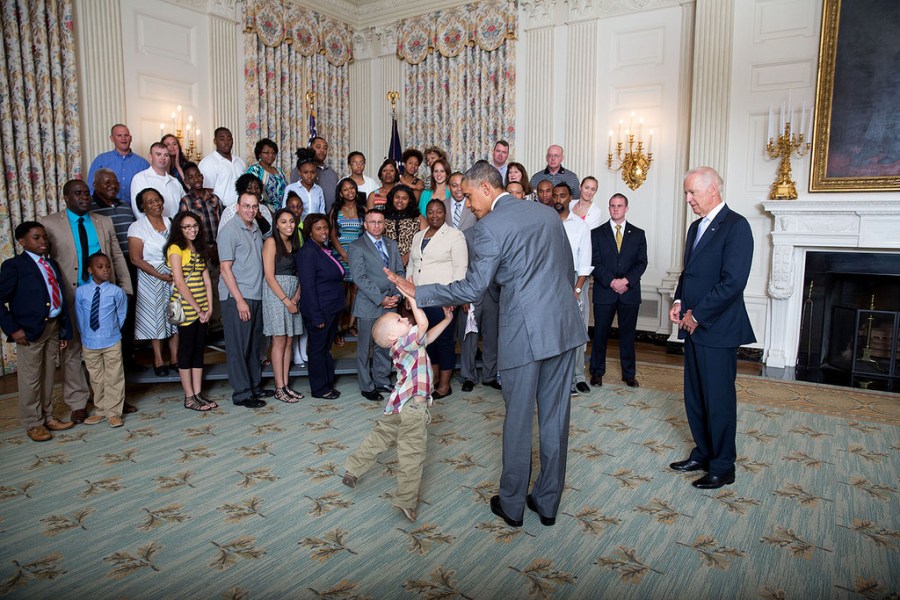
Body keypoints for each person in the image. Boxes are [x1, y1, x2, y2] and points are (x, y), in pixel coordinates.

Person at [385, 161, 586, 528]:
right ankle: (547, 503)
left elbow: (473, 288)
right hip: (563, 326)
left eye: (468, 194)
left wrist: (420, 291)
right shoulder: (546, 214)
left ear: (486, 188)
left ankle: (512, 505)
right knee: (555, 419)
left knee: (519, 419)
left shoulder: (490, 227)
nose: (466, 202)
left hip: (524, 333)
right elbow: (567, 269)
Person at [669, 166, 755, 490]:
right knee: (695, 396)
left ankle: (723, 466)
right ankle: (703, 453)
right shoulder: (695, 227)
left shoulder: (737, 226)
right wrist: (679, 301)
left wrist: (698, 315)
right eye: (686, 193)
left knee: (718, 400)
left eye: (692, 192)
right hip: (692, 326)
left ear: (712, 190)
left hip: (717, 328)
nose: (688, 199)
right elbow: (688, 273)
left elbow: (733, 282)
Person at [341, 295, 455, 523]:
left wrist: (446, 320)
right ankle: (405, 500)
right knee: (412, 453)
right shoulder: (404, 343)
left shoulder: (409, 343)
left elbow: (428, 335)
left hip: (398, 404)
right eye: (399, 320)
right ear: (393, 336)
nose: (405, 318)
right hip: (413, 407)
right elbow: (423, 324)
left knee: (379, 436)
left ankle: (352, 469)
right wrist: (413, 298)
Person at [39, 180, 133, 423]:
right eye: (78, 193)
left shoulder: (103, 221)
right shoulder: (49, 223)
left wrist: (125, 286)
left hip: (105, 294)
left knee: (111, 348)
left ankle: (114, 401)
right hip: (71, 295)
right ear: (66, 197)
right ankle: (78, 401)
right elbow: (43, 263)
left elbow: (115, 255)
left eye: (86, 193)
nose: (84, 197)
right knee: (72, 349)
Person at [0, 222, 74, 441]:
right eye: (36, 237)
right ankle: (33, 423)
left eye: (44, 237)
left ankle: (47, 416)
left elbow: (59, 295)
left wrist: (63, 330)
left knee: (48, 375)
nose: (43, 241)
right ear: (22, 242)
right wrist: (13, 329)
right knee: (31, 379)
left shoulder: (51, 264)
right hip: (29, 330)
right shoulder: (14, 266)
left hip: (52, 326)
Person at [407, 199, 468, 398]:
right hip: (419, 296)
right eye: (431, 212)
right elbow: (412, 265)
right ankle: (432, 381)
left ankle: (444, 385)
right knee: (427, 340)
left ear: (445, 214)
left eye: (439, 212)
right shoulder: (418, 235)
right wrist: (409, 292)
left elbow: (460, 268)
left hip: (442, 297)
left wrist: (455, 296)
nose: (434, 215)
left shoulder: (455, 236)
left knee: (443, 341)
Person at [218, 191, 272, 408]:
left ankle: (254, 386)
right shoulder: (229, 230)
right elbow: (225, 269)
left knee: (254, 345)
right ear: (237, 207)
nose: (250, 210)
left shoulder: (255, 228)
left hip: (256, 294)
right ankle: (242, 393)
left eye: (254, 206)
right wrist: (239, 300)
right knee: (239, 347)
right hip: (237, 297)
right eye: (246, 206)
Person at [590, 193, 647, 389]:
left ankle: (629, 375)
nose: (616, 209)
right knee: (600, 334)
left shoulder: (638, 234)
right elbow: (594, 262)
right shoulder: (596, 233)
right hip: (604, 291)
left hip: (629, 293)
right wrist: (612, 282)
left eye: (619, 205)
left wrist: (626, 281)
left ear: (626, 208)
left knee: (628, 336)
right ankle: (597, 372)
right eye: (612, 205)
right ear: (609, 208)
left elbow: (641, 263)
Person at [347, 210, 404, 402]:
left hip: (391, 302)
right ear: (365, 225)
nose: (377, 225)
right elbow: (360, 277)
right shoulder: (356, 246)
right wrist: (380, 299)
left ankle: (381, 380)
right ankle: (366, 386)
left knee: (385, 345)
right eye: (372, 222)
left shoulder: (391, 244)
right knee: (365, 347)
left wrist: (397, 295)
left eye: (380, 222)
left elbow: (399, 272)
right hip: (369, 304)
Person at [90, 168, 142, 373]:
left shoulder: (125, 206)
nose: (112, 186)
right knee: (109, 315)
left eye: (115, 182)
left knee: (128, 312)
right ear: (95, 185)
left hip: (130, 265)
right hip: (105, 268)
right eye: (107, 182)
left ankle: (128, 359)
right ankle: (111, 365)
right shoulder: (90, 209)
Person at [165, 212, 217, 411]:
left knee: (198, 350)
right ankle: (189, 397)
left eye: (194, 226)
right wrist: (198, 309)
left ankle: (197, 393)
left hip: (202, 307)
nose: (192, 230)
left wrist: (209, 308)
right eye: (187, 227)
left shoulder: (199, 247)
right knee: (186, 350)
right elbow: (179, 282)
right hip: (186, 309)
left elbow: (207, 280)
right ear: (179, 229)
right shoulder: (175, 248)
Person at [128, 188, 178, 376]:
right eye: (150, 201)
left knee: (175, 316)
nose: (156, 204)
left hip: (173, 275)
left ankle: (175, 358)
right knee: (155, 319)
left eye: (158, 200)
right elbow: (135, 258)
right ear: (142, 206)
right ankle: (158, 360)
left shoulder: (171, 222)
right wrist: (159, 275)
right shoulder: (137, 227)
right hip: (150, 277)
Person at [74, 252, 127, 426]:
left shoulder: (116, 292)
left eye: (108, 266)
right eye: (100, 267)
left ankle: (114, 413)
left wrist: (112, 330)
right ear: (90, 270)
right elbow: (79, 316)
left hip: (111, 340)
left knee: (114, 376)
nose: (106, 270)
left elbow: (121, 314)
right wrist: (85, 335)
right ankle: (101, 410)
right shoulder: (81, 292)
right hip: (89, 342)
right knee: (96, 378)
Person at [297, 213, 345, 399]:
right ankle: (319, 389)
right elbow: (308, 287)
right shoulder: (308, 253)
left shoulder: (322, 249)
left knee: (325, 348)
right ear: (309, 232)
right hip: (320, 310)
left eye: (325, 228)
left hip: (330, 308)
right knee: (317, 350)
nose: (324, 231)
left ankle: (327, 384)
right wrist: (316, 316)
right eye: (318, 228)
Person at [553, 184, 593, 395]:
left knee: (576, 330)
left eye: (562, 195)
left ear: (570, 198)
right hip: (551, 279)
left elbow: (585, 261)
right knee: (554, 330)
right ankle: (557, 377)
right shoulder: (546, 221)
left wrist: (576, 290)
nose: (558, 199)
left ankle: (578, 376)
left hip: (576, 281)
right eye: (555, 195)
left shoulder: (580, 226)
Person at [262, 209, 305, 403]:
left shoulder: (294, 243)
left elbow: (298, 273)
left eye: (291, 221)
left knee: (289, 341)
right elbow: (269, 277)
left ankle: (286, 385)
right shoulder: (271, 242)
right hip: (276, 295)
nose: (289, 225)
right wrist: (287, 301)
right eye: (284, 222)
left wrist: (296, 296)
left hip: (292, 293)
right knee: (279, 341)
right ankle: (278, 388)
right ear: (276, 224)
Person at [329, 178, 365, 343]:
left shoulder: (362, 210)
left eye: (352, 188)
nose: (349, 191)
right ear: (340, 193)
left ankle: (351, 325)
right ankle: (338, 328)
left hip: (358, 256)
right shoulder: (335, 210)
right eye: (345, 189)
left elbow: (366, 236)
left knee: (356, 291)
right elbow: (332, 235)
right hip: (340, 256)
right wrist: (343, 254)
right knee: (341, 293)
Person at [87, 124, 149, 204]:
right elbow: (91, 187)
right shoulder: (101, 160)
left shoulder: (143, 163)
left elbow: (149, 190)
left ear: (130, 138)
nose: (123, 138)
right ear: (112, 138)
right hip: (106, 208)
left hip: (134, 209)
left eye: (126, 135)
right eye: (119, 135)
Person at [130, 142, 184, 218]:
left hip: (176, 224)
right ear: (150, 157)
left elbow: (185, 205)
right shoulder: (140, 178)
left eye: (166, 155)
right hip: (151, 225)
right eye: (158, 154)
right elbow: (138, 210)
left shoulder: (175, 182)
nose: (163, 158)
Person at [199, 127, 246, 208]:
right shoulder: (208, 162)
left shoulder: (240, 162)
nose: (226, 142)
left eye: (229, 139)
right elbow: (206, 191)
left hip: (242, 209)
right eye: (222, 139)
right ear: (215, 141)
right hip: (220, 210)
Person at [383, 184, 424, 267]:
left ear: (409, 200)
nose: (400, 201)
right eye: (397, 197)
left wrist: (409, 255)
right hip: (387, 262)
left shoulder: (418, 217)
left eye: (404, 198)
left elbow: (426, 240)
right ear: (392, 198)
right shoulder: (382, 216)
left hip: (411, 263)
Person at [246, 138, 287, 211]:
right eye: (266, 152)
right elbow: (250, 193)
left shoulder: (280, 171)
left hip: (283, 210)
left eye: (273, 152)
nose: (270, 155)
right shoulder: (255, 170)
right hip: (264, 210)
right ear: (259, 154)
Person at [283, 148, 325, 216]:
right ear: (299, 172)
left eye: (313, 172)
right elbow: (285, 211)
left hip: (315, 223)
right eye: (305, 172)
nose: (309, 176)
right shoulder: (291, 188)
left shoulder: (319, 190)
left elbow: (322, 212)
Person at [310, 137, 339, 214]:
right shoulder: (302, 171)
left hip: (331, 216)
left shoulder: (332, 173)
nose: (322, 150)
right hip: (312, 217)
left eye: (325, 148)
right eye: (318, 147)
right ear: (310, 149)